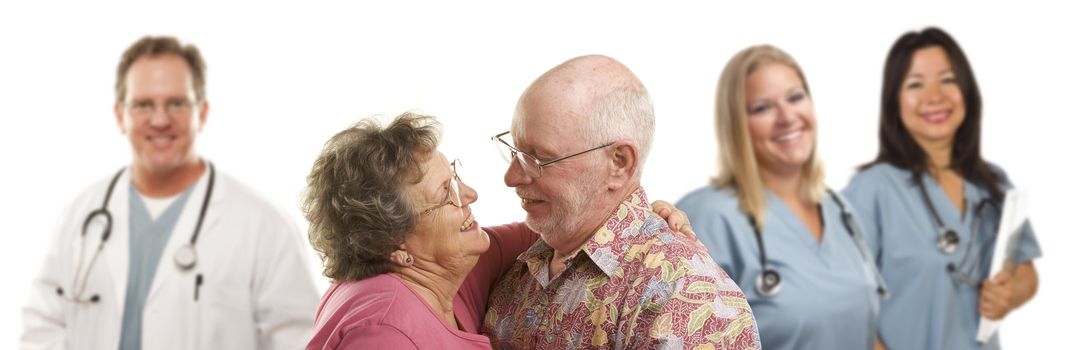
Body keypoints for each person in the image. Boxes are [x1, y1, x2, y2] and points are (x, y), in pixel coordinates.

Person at [20, 36, 320, 350]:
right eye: (143, 105)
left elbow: (296, 341)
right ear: (120, 115)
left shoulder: (263, 225)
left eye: (176, 103)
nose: (160, 120)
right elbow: (41, 329)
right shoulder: (80, 217)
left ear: (202, 112)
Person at [301, 112, 693, 349]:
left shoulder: (453, 267)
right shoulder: (385, 332)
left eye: (455, 176)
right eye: (446, 194)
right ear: (395, 244)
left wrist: (640, 215)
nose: (469, 194)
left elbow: (562, 229)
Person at [482, 55, 761, 349]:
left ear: (619, 163)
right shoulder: (517, 268)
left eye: (539, 158)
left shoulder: (686, 296)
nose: (511, 177)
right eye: (514, 149)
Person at [676, 45, 887, 349]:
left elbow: (865, 331)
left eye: (795, 97)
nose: (787, 117)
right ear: (737, 125)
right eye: (763, 108)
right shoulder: (708, 217)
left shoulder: (840, 209)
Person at [843, 27, 1040, 350]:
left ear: (967, 90)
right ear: (895, 100)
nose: (934, 96)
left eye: (948, 80)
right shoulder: (871, 191)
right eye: (915, 84)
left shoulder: (994, 184)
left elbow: (1027, 271)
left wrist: (1011, 294)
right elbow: (848, 302)